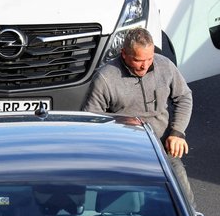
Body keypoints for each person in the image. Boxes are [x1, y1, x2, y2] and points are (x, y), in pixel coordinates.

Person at [82, 27, 195, 205]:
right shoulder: (105, 78)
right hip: (124, 152)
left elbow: (184, 97)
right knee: (118, 205)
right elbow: (91, 121)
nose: (145, 65)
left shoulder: (165, 65)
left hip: (162, 147)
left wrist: (177, 132)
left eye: (149, 59)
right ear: (124, 54)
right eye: (138, 60)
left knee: (185, 202)